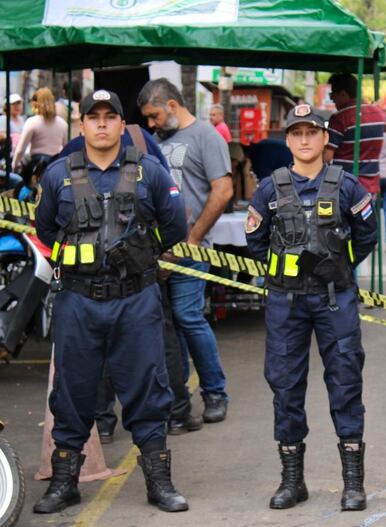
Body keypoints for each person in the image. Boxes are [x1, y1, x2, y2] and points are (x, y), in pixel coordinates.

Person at [33, 90, 189, 514]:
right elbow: (45, 230)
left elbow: (174, 226)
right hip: (78, 301)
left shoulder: (151, 173)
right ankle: (65, 484)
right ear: (82, 125)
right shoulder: (57, 175)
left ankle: (160, 484)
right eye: (93, 117)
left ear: (123, 125)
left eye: (110, 117)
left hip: (135, 298)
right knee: (72, 391)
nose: (102, 124)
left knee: (146, 388)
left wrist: (136, 254)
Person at [246, 104, 377, 511]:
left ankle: (353, 483)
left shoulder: (348, 186)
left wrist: (336, 268)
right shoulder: (270, 188)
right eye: (297, 133)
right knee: (285, 385)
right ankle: (291, 480)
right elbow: (255, 241)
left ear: (325, 139)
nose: (304, 140)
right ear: (288, 140)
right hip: (286, 301)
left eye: (312, 133)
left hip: (334, 300)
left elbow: (367, 235)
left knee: (345, 383)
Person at [138, 78, 233, 423]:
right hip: (155, 251)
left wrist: (192, 240)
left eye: (154, 116)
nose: (151, 124)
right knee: (170, 327)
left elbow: (222, 191)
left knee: (188, 318)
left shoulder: (206, 136)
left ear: (173, 106)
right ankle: (180, 399)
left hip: (192, 250)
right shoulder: (154, 141)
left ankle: (215, 392)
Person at [324, 72, 386, 196]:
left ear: (343, 94)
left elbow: (326, 157)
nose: (333, 101)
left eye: (332, 96)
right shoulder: (380, 114)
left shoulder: (340, 118)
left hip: (346, 187)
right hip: (370, 187)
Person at [12, 87, 67, 170]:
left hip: (37, 165)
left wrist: (14, 165)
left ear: (36, 104)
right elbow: (65, 148)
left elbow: (20, 150)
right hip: (56, 165)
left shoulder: (32, 122)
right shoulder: (63, 123)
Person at [1, 93, 26, 158]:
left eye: (19, 103)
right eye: (13, 104)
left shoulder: (22, 120)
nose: (17, 106)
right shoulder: (3, 119)